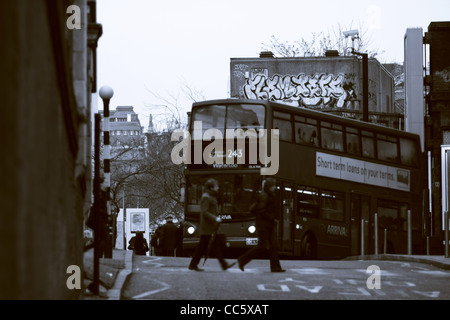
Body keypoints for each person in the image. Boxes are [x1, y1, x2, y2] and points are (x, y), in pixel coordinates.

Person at [237, 177, 285, 273]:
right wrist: (271, 217)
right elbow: (261, 210)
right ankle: (242, 260)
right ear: (269, 186)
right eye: (273, 186)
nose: (275, 187)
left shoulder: (269, 195)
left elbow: (253, 209)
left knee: (273, 246)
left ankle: (276, 267)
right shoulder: (265, 196)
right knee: (262, 246)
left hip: (268, 225)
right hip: (264, 225)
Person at [188, 178, 235, 271]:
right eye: (216, 186)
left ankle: (194, 264)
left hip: (210, 227)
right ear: (211, 188)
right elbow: (204, 212)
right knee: (203, 247)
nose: (218, 188)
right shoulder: (206, 197)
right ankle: (223, 264)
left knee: (209, 246)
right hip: (207, 227)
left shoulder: (210, 196)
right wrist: (215, 218)